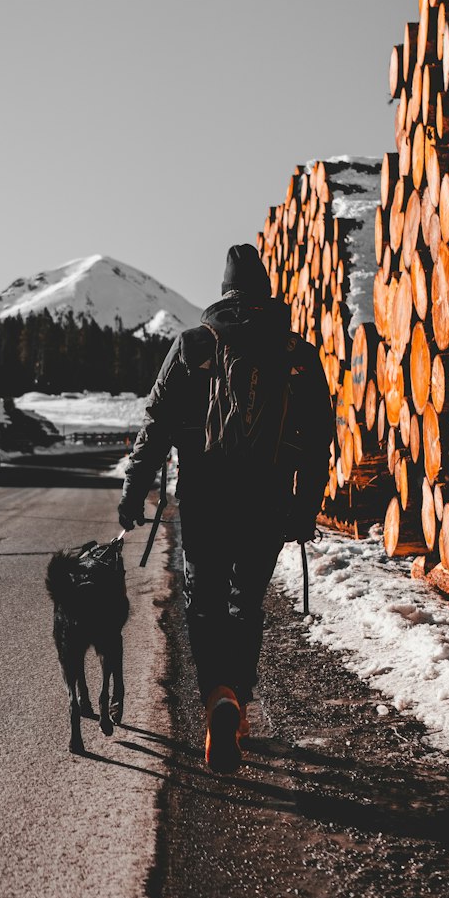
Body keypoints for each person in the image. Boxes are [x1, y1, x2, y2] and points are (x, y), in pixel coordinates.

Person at [118, 243, 334, 774]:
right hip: (267, 502)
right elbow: (319, 440)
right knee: (247, 604)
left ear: (223, 291)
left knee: (204, 602)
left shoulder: (193, 345)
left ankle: (216, 695)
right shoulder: (297, 354)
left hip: (205, 500)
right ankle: (236, 701)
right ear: (265, 293)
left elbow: (156, 425)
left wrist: (133, 492)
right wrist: (305, 510)